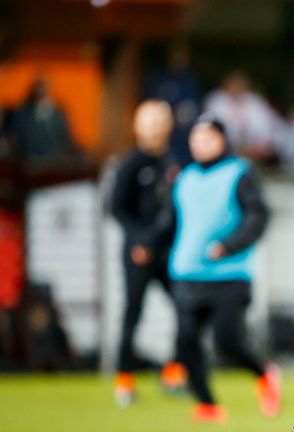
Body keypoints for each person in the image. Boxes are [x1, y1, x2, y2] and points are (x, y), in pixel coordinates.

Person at [145, 113, 281, 423]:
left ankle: (263, 374)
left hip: (229, 274)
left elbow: (257, 217)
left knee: (227, 341)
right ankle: (207, 404)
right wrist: (147, 244)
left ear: (221, 140)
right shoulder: (184, 177)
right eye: (195, 138)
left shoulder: (240, 173)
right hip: (186, 272)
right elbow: (170, 221)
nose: (200, 144)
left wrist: (229, 246)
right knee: (186, 341)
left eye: (207, 138)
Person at [109, 99, 186, 407]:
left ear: (168, 126)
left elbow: (177, 210)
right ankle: (124, 379)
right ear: (137, 127)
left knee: (186, 311)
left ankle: (174, 372)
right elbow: (117, 208)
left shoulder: (173, 163)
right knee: (133, 313)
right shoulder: (129, 164)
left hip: (168, 252)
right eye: (149, 122)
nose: (155, 128)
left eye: (160, 122)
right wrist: (139, 241)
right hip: (137, 253)